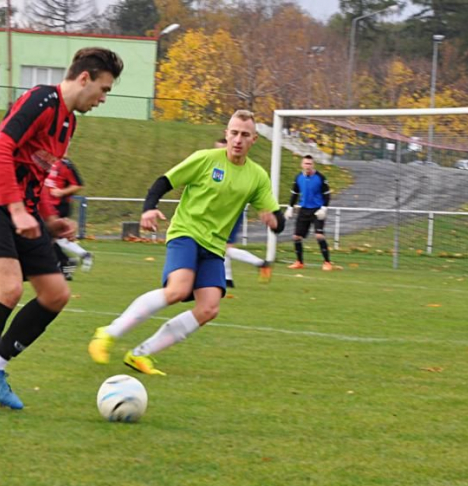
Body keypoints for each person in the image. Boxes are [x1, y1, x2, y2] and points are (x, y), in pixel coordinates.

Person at [0, 47, 124, 417]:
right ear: (85, 78)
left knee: (56, 294)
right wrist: (16, 209)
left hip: (23, 209)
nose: (103, 98)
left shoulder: (68, 123)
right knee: (9, 288)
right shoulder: (41, 99)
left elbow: (36, 173)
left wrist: (48, 218)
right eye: (104, 89)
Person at [87, 110, 285, 376]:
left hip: (214, 246)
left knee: (209, 308)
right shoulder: (205, 159)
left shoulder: (257, 176)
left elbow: (278, 219)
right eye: (234, 133)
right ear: (226, 134)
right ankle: (108, 333)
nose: (238, 139)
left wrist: (274, 221)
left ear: (254, 140)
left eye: (244, 135)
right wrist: (149, 208)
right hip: (186, 233)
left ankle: (140, 354)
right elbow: (163, 182)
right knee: (177, 290)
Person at [214, 138, 272, 288]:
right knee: (223, 247)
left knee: (224, 247)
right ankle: (228, 279)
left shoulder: (233, 169)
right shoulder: (217, 167)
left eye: (221, 149)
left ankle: (261, 264)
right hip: (223, 212)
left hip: (231, 213)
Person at [40, 157, 93, 279]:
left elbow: (78, 185)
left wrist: (62, 192)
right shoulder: (42, 161)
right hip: (45, 206)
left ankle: (70, 260)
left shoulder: (65, 165)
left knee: (52, 238)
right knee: (55, 240)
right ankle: (70, 263)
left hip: (58, 207)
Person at [284, 154, 333, 271]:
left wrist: (324, 208)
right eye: (306, 163)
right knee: (296, 237)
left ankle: (327, 262)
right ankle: (299, 262)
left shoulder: (320, 178)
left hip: (317, 210)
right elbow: (294, 194)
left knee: (319, 235)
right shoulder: (298, 178)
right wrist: (290, 207)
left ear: (313, 165)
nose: (308, 166)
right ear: (302, 164)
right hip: (304, 210)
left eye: (310, 164)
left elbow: (327, 195)